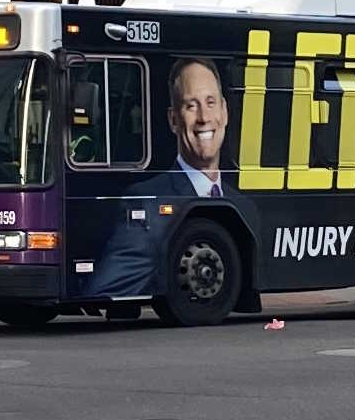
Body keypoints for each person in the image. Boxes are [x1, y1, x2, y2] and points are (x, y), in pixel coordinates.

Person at [84, 57, 257, 298]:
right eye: (191, 106)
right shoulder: (145, 200)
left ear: (224, 112)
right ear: (173, 119)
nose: (204, 118)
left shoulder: (245, 207)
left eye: (210, 103)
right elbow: (106, 290)